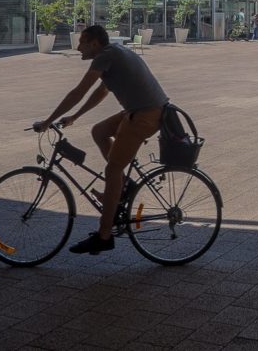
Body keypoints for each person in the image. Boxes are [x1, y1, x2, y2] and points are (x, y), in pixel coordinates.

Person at [33, 25, 168, 255]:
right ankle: (123, 186)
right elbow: (101, 92)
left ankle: (104, 236)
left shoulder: (106, 56)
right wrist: (75, 117)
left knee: (113, 169)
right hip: (141, 110)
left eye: (82, 42)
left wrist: (47, 121)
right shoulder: (112, 54)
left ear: (94, 43)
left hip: (146, 114)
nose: (78, 47)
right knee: (99, 132)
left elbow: (79, 92)